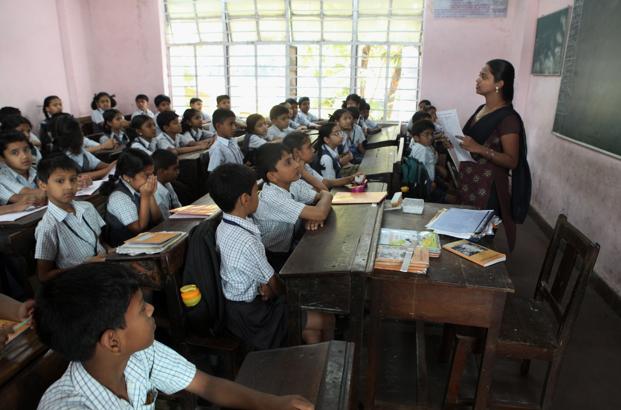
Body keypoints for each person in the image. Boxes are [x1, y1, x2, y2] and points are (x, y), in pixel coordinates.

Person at [34, 262, 314, 410]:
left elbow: (206, 385)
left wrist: (273, 403)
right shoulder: (68, 406)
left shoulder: (139, 354)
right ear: (113, 341)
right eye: (143, 309)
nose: (152, 308)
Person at [210, 163, 334, 349]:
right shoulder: (246, 240)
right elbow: (274, 285)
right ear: (245, 199)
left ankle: (315, 362)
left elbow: (266, 281)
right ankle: (328, 359)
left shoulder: (225, 226)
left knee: (311, 329)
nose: (259, 195)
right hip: (253, 316)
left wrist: (269, 287)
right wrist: (279, 292)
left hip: (242, 307)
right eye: (256, 191)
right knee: (326, 317)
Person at [457, 59, 527, 250]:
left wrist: (479, 148)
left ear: (499, 84)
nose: (477, 80)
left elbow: (512, 161)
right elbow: (471, 142)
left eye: (484, 76)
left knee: (478, 243)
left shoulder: (508, 119)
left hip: (489, 188)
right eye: (479, 75)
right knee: (463, 236)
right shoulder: (482, 109)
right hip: (471, 181)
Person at [253, 143, 332, 271]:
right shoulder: (272, 197)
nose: (296, 165)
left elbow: (323, 194)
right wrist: (317, 213)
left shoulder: (292, 183)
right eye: (288, 162)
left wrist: (317, 214)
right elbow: (321, 209)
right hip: (275, 260)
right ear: (272, 176)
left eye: (293, 159)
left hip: (294, 245)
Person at [34, 155, 107, 281]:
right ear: (42, 185)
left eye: (73, 180)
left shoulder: (88, 207)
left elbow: (100, 243)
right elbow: (44, 277)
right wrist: (83, 267)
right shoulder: (48, 227)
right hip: (78, 282)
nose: (69, 186)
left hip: (104, 270)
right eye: (60, 181)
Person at [101, 149, 162, 247]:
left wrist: (150, 195)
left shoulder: (141, 188)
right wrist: (145, 196)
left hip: (148, 243)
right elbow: (139, 230)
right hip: (126, 250)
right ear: (127, 177)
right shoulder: (118, 197)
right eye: (146, 175)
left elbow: (158, 220)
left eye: (152, 173)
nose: (151, 179)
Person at [283, 131, 360, 191]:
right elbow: (324, 190)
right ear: (297, 152)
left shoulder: (306, 166)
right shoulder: (292, 176)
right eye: (309, 147)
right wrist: (303, 173)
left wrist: (351, 178)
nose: (313, 150)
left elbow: (326, 182)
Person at [50, 114, 116, 181]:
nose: (82, 136)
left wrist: (115, 164)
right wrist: (108, 169)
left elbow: (101, 165)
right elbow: (77, 177)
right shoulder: (58, 158)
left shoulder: (81, 151)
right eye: (79, 133)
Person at [0, 131, 46, 205]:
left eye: (26, 150)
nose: (24, 156)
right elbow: (36, 195)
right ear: (2, 158)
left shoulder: (36, 171)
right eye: (15, 153)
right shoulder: (2, 177)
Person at [152, 149, 182, 219]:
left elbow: (177, 205)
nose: (178, 172)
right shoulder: (156, 192)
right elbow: (166, 219)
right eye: (175, 169)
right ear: (161, 171)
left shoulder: (167, 183)